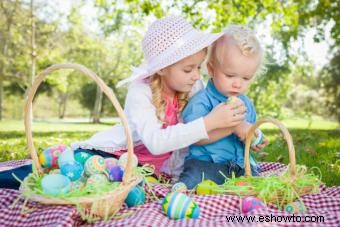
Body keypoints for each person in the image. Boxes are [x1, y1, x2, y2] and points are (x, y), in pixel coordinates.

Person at [0, 16, 247, 189]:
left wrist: (232, 125)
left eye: (198, 68)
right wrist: (210, 122)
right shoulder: (141, 92)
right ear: (161, 68)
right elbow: (156, 142)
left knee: (98, 186)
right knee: (65, 171)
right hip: (111, 155)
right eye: (188, 69)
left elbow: (194, 137)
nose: (196, 75)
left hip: (144, 172)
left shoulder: (193, 87)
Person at [176, 25, 268, 190]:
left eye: (246, 78)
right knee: (194, 176)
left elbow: (247, 134)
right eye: (230, 75)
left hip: (240, 166)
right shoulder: (201, 102)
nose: (238, 83)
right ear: (212, 69)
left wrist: (254, 139)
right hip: (207, 164)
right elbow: (194, 137)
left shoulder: (246, 104)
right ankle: (180, 191)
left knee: (259, 184)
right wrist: (233, 127)